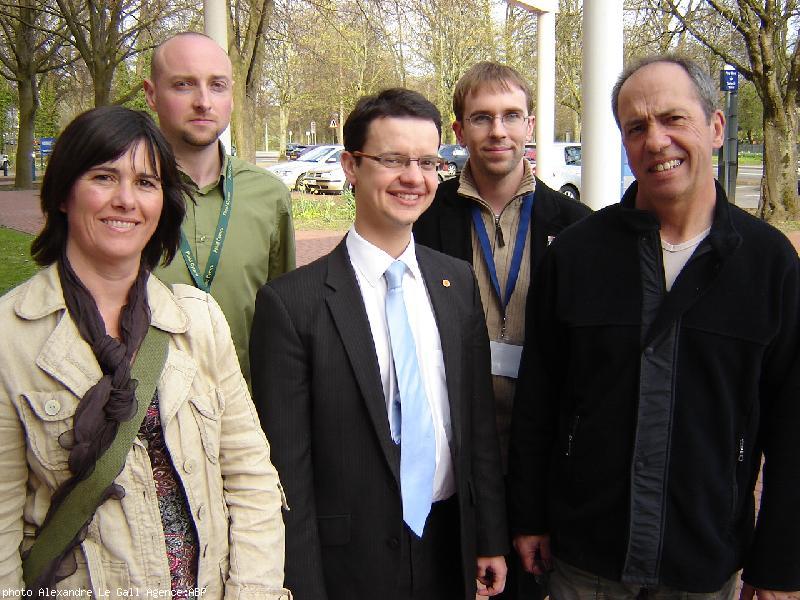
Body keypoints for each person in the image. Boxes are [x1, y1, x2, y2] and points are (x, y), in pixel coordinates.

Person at [509, 55, 800, 598]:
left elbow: (791, 425)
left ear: (716, 127)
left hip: (703, 559)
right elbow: (539, 400)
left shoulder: (769, 265)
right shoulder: (576, 255)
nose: (656, 140)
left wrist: (781, 562)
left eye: (673, 119)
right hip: (587, 557)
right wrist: (529, 514)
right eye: (636, 127)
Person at [0, 106, 289, 599]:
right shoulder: (12, 337)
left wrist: (253, 591)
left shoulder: (197, 320)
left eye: (146, 183)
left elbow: (250, 477)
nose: (126, 200)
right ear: (65, 193)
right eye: (104, 177)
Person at [250, 88, 508, 600]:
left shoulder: (456, 283)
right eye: (392, 160)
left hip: (448, 545)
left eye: (428, 162)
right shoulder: (292, 305)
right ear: (351, 166)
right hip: (348, 563)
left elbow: (477, 424)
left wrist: (489, 536)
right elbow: (288, 472)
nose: (414, 177)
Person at [414, 63, 590, 598]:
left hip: (541, 448)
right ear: (459, 129)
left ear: (530, 124)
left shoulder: (577, 226)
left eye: (511, 116)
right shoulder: (424, 218)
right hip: (452, 448)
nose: (498, 131)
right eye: (482, 118)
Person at [144, 31, 295, 386]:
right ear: (152, 94)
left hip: (246, 403)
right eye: (183, 85)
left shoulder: (269, 195)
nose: (203, 102)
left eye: (217, 86)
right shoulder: (125, 197)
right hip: (147, 405)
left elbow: (283, 316)